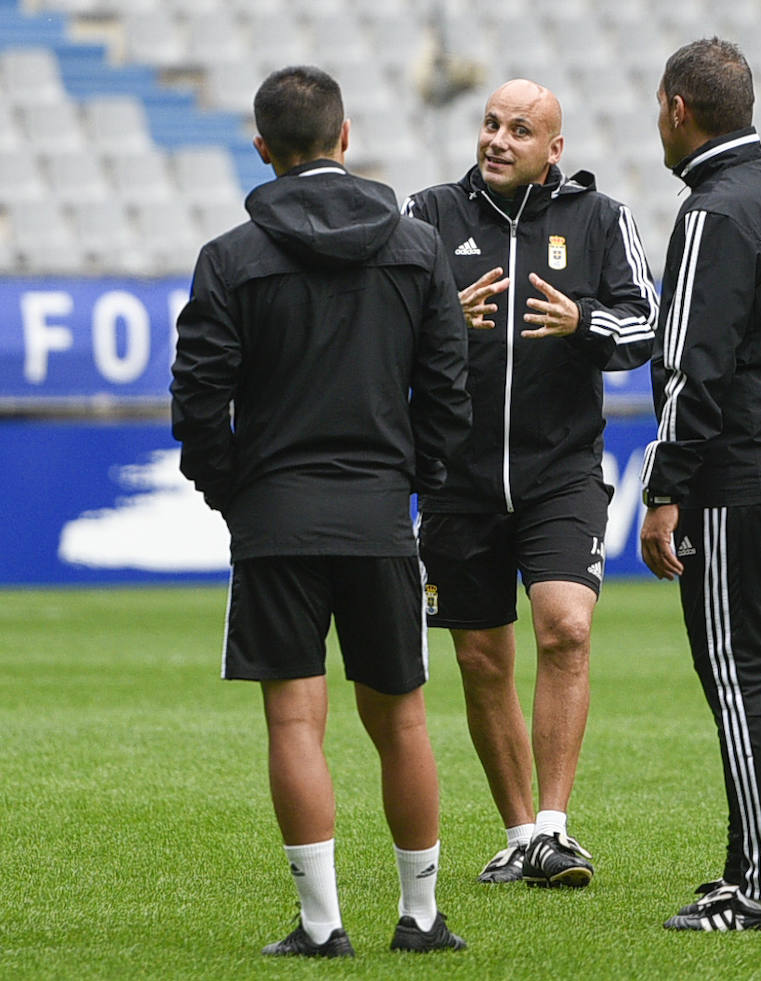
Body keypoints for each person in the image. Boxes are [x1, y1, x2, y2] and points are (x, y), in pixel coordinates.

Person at [170, 66, 472, 958]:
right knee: (404, 719)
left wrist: (239, 491)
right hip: (379, 519)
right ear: (347, 137)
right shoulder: (417, 250)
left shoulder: (229, 257)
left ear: (262, 150)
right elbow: (448, 395)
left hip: (276, 524)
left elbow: (196, 404)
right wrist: (404, 480)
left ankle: (321, 925)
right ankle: (419, 918)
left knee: (294, 721)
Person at [402, 79, 657, 888]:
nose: (497, 139)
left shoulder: (599, 220)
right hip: (457, 476)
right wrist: (443, 312)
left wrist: (584, 321)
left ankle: (555, 824)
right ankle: (521, 837)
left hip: (561, 471)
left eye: (520, 129)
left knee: (565, 628)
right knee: (481, 658)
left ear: (554, 149)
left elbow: (647, 322)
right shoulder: (428, 215)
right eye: (489, 124)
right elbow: (379, 321)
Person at [638, 38, 761, 932]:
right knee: (753, 676)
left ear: (680, 108)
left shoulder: (714, 212)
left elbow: (690, 366)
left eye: (658, 108)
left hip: (738, 478)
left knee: (740, 679)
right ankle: (744, 869)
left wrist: (663, 488)